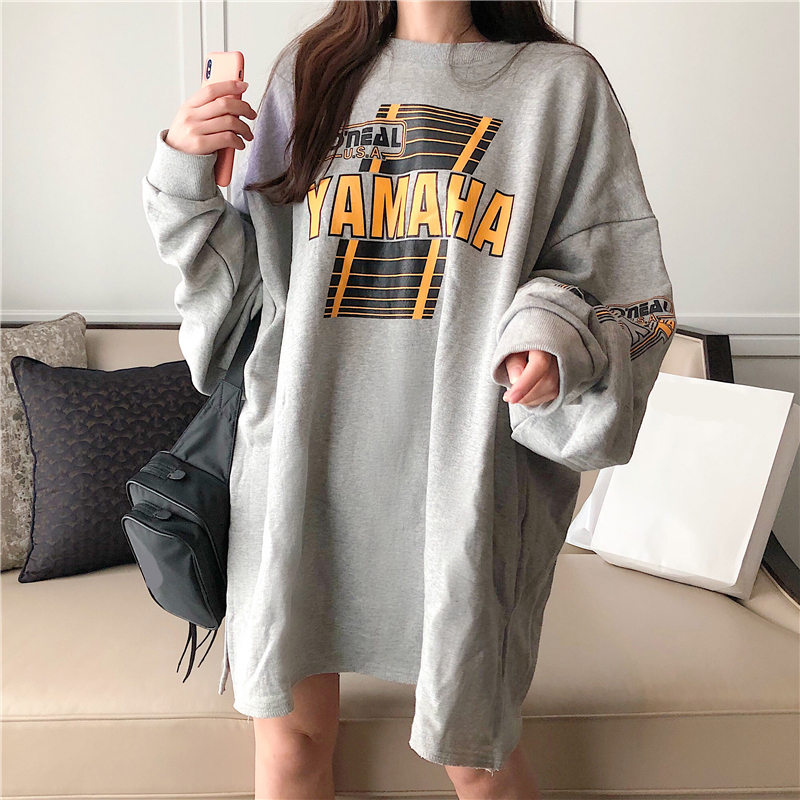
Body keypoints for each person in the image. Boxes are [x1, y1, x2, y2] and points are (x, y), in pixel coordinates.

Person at [142, 0, 676, 797]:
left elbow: (618, 285)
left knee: (475, 757)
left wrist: (553, 337)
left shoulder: (559, 87)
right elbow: (253, 291)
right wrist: (183, 169)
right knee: (290, 743)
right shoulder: (307, 73)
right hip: (297, 462)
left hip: (463, 472)